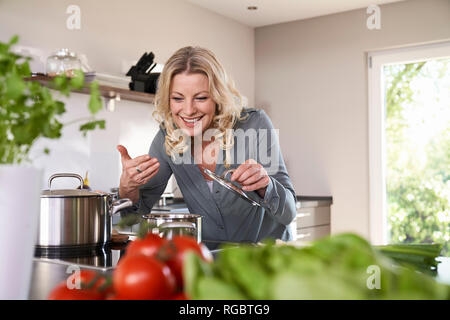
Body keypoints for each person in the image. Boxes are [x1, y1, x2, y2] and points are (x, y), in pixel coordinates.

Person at [117, 46, 296, 243]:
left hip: (267, 262)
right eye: (178, 98)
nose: (188, 110)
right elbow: (133, 225)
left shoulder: (254, 124)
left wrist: (266, 186)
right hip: (211, 264)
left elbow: (289, 213)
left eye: (201, 98)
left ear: (217, 96)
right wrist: (127, 189)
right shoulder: (168, 138)